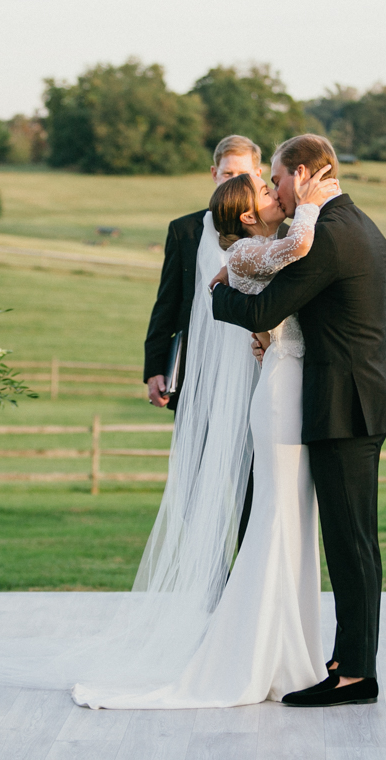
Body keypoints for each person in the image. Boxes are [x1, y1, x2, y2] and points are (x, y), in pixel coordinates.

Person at [72, 165, 342, 709]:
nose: (275, 192)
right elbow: (303, 242)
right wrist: (312, 198)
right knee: (274, 519)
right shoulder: (244, 253)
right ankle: (256, 648)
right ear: (246, 216)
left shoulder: (257, 251)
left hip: (285, 382)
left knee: (287, 519)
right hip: (280, 397)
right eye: (268, 191)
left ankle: (284, 644)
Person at [211, 134, 386, 708]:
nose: (277, 190)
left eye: (278, 178)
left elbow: (265, 310)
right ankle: (348, 658)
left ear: (304, 174)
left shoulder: (328, 236)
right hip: (357, 399)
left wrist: (218, 297)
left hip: (342, 406)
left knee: (350, 544)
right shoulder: (360, 222)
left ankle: (355, 674)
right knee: (354, 540)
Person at [143, 134, 263, 545]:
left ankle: (245, 581)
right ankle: (203, 583)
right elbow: (167, 302)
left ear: (258, 175)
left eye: (242, 174)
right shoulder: (185, 230)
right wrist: (155, 367)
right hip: (198, 376)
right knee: (194, 485)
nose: (232, 180)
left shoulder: (271, 230)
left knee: (251, 483)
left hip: (254, 375)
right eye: (226, 173)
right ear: (214, 174)